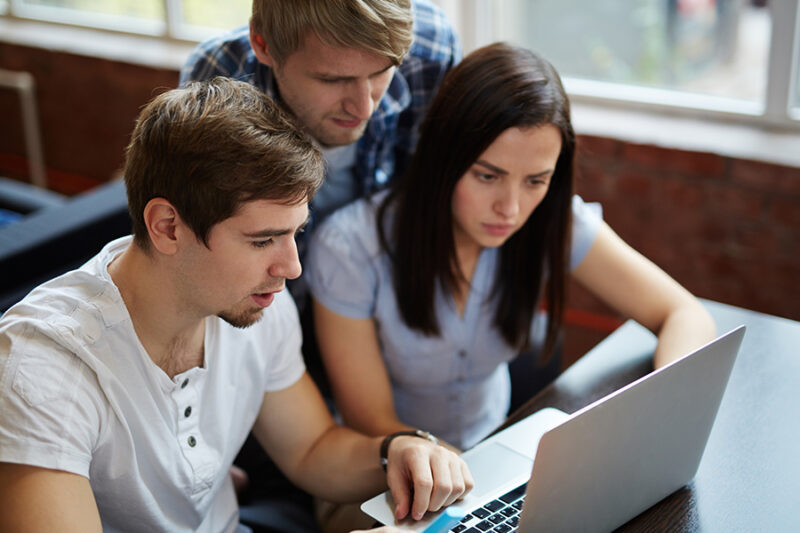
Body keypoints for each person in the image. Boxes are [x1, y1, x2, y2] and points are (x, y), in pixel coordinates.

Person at [0, 78, 472, 533]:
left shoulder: (254, 302)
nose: (291, 268)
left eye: (295, 233)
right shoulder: (43, 369)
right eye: (263, 239)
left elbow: (311, 449)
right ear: (167, 226)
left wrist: (398, 450)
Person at [306, 43, 717, 452]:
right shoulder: (350, 247)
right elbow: (372, 422)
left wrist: (669, 406)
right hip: (384, 473)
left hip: (497, 454)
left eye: (536, 181)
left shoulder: (553, 221)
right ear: (443, 158)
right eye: (488, 176)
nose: (511, 208)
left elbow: (684, 313)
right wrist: (468, 478)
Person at [180, 0, 460, 226]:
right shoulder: (218, 81)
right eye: (333, 80)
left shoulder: (430, 51)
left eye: (381, 72)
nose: (364, 108)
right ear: (263, 44)